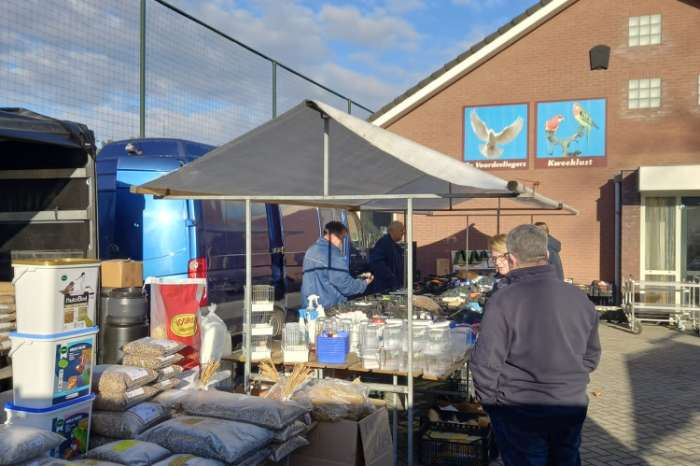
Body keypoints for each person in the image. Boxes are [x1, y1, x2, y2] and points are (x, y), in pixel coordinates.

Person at [471, 224, 601, 466]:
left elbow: (485, 363)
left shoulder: (503, 300)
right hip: (568, 404)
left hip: (521, 409)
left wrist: (493, 406)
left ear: (512, 258)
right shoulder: (580, 298)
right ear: (547, 254)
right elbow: (591, 357)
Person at [301, 221, 373, 309]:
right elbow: (346, 286)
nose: (341, 243)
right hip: (327, 309)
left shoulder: (311, 250)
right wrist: (364, 283)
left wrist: (358, 278)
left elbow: (324, 277)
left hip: (309, 305)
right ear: (333, 236)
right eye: (342, 238)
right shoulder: (333, 255)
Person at [367, 221, 405, 294]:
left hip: (391, 287)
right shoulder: (384, 243)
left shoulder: (395, 246)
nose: (403, 233)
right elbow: (376, 262)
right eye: (401, 230)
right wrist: (390, 276)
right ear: (393, 231)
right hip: (384, 288)